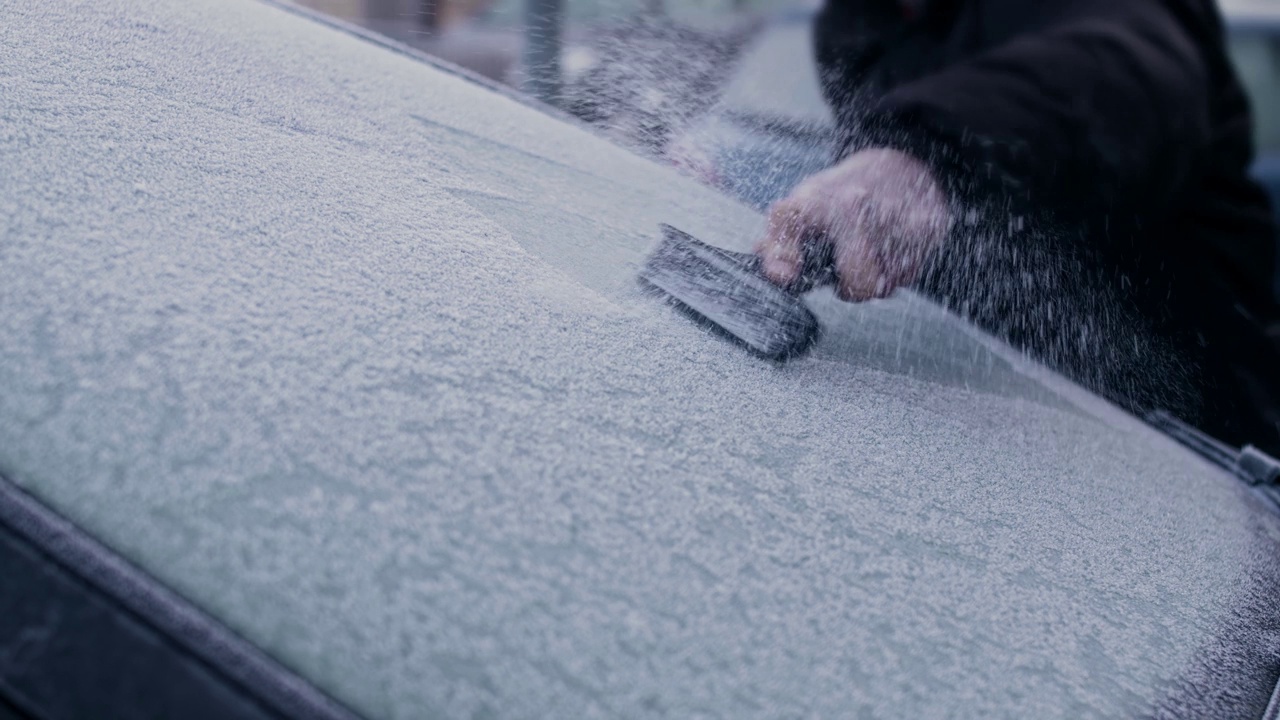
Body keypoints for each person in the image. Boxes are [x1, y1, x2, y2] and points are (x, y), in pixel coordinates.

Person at [755, 0, 1280, 453]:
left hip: (1187, 447)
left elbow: (1129, 73)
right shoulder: (858, 23)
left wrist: (922, 155)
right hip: (981, 410)